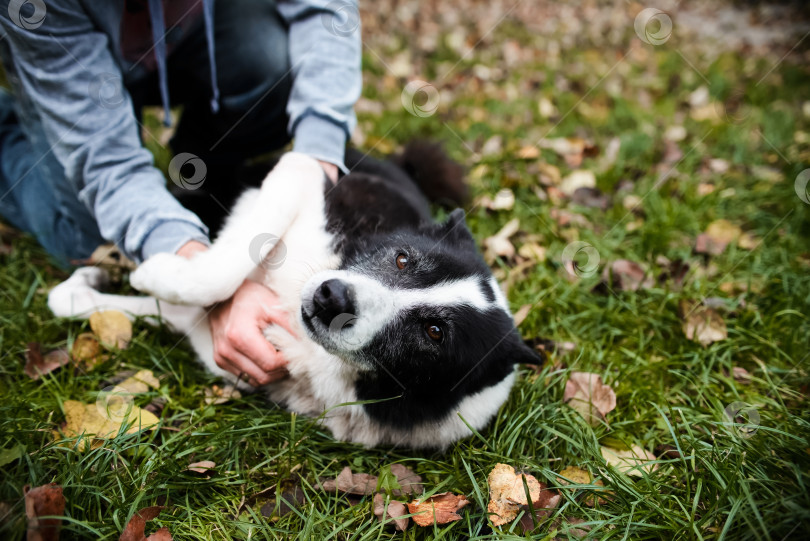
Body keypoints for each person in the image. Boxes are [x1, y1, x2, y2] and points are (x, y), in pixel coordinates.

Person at [0, 0, 361, 386]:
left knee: (270, 61)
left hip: (184, 34)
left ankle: (195, 171)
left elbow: (326, 8)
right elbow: (108, 167)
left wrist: (317, 169)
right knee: (89, 239)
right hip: (79, 63)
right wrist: (207, 286)